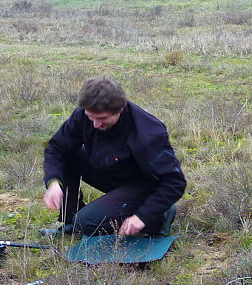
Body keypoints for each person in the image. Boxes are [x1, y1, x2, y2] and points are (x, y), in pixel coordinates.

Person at [41, 76, 186, 237]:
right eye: (91, 117)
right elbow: (57, 147)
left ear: (120, 109)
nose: (95, 124)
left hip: (141, 185)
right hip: (109, 170)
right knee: (70, 155)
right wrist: (54, 181)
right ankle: (69, 222)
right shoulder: (84, 113)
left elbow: (175, 182)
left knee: (86, 223)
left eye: (102, 118)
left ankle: (158, 215)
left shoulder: (148, 134)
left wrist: (142, 216)